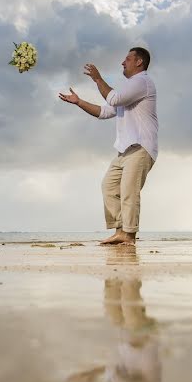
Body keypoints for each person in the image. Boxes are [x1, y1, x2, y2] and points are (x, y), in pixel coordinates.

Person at [59, 47, 158, 245]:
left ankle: (129, 235)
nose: (123, 62)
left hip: (141, 147)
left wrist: (97, 78)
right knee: (109, 186)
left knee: (129, 191)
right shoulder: (130, 87)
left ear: (139, 62)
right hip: (125, 150)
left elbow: (113, 98)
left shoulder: (142, 81)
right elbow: (105, 111)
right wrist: (79, 102)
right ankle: (121, 231)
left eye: (128, 59)